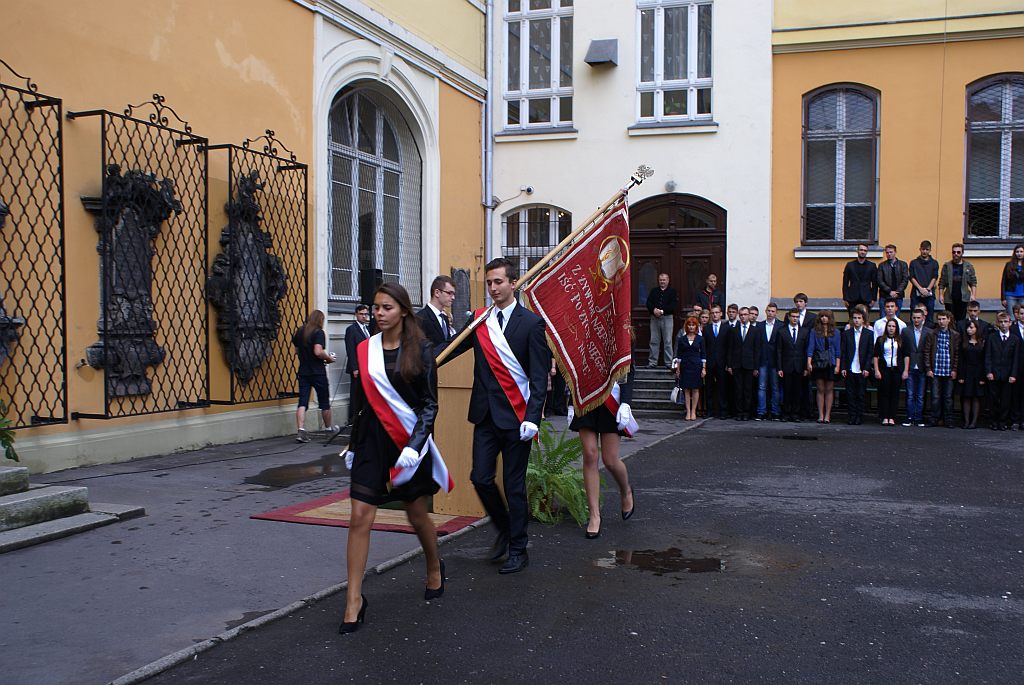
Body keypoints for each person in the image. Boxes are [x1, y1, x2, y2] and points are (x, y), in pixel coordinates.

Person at [340, 283, 447, 633]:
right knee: (359, 516)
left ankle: (434, 565)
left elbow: (429, 405)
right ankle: (354, 600)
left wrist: (417, 446)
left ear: (402, 310)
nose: (379, 314)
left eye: (386, 307)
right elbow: (359, 403)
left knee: (416, 515)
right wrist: (353, 445)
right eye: (375, 308)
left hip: (406, 443)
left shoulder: (422, 350)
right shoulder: (364, 350)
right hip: (372, 441)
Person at [444, 257, 549, 574]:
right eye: (489, 283)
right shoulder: (479, 321)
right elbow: (451, 348)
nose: (492, 288)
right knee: (480, 478)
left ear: (512, 283)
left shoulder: (531, 323)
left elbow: (539, 376)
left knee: (514, 486)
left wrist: (533, 417)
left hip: (518, 420)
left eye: (498, 282)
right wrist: (419, 359)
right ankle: (504, 527)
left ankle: (518, 549)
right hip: (485, 415)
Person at [568, 350, 636, 540]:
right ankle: (594, 515)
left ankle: (626, 490)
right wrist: (571, 403)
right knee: (590, 455)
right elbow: (573, 365)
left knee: (610, 460)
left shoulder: (622, 329)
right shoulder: (582, 327)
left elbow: (629, 370)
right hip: (586, 398)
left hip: (610, 400)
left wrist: (626, 403)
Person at [294, 309, 338, 442]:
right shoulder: (318, 332)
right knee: (324, 401)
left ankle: (301, 431)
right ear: (320, 320)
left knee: (302, 402)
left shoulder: (300, 331)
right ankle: (328, 429)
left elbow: (297, 350)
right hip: (318, 372)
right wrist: (329, 358)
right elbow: (318, 351)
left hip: (303, 372)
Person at [922, 311, 960, 428]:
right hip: (936, 369)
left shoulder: (954, 335)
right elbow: (927, 352)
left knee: (948, 397)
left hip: (948, 370)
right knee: (935, 397)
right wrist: (928, 368)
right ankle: (934, 419)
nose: (941, 322)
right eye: (939, 319)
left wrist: (955, 369)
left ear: (949, 320)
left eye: (943, 319)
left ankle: (948, 419)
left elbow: (957, 354)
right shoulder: (932, 334)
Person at [984, 312, 1021, 431]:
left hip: (1007, 374)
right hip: (994, 373)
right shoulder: (992, 337)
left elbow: (1016, 359)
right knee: (993, 398)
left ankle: (1003, 421)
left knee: (1006, 399)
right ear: (997, 323)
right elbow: (988, 355)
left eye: (1006, 322)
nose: (1003, 324)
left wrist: (1013, 374)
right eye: (1001, 322)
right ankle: (994, 421)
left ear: (1010, 323)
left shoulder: (1015, 339)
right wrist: (988, 371)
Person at [840, 308, 874, 425]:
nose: (856, 320)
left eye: (859, 318)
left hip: (862, 368)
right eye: (854, 318)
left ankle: (859, 416)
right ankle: (852, 415)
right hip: (850, 367)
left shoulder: (869, 334)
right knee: (850, 393)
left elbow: (870, 352)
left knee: (860, 393)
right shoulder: (847, 333)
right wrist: (843, 367)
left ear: (863, 320)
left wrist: (866, 368)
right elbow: (843, 352)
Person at [727, 307, 761, 421]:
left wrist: (756, 367)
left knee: (748, 390)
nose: (743, 317)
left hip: (749, 365)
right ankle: (739, 412)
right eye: (741, 315)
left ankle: (747, 412)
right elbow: (730, 348)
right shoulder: (734, 329)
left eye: (745, 314)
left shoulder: (755, 330)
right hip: (736, 364)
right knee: (738, 389)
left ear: (749, 316)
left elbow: (757, 350)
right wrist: (730, 365)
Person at [806, 310, 841, 423]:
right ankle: (820, 415)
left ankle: (828, 415)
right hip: (818, 361)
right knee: (820, 389)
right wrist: (809, 362)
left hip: (831, 362)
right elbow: (811, 348)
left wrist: (837, 365)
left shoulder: (836, 332)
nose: (824, 318)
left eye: (826, 316)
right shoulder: (814, 331)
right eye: (822, 316)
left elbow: (838, 350)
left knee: (829, 389)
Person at [873, 318, 907, 426]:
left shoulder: (901, 340)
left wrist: (905, 370)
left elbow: (906, 356)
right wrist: (877, 370)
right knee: (884, 393)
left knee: (894, 394)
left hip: (896, 369)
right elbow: (876, 356)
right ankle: (884, 416)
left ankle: (892, 417)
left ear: (896, 328)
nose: (891, 328)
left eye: (893, 326)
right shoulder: (880, 340)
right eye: (889, 326)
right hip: (884, 369)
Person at [900, 307, 931, 427]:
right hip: (910, 365)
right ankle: (909, 417)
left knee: (920, 395)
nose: (916, 320)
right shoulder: (906, 331)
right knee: (910, 393)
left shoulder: (929, 331)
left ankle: (918, 418)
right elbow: (903, 350)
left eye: (918, 318)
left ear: (923, 318)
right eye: (914, 318)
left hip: (923, 365)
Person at [777, 309, 809, 422]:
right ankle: (786, 413)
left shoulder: (804, 332)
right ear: (789, 317)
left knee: (797, 391)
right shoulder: (782, 331)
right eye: (793, 316)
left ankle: (795, 413)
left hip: (799, 366)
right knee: (787, 390)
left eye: (797, 316)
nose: (795, 319)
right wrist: (779, 367)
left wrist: (806, 367)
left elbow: (806, 351)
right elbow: (779, 350)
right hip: (786, 366)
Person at [344, 305, 372, 427]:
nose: (364, 316)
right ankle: (353, 418)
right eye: (362, 314)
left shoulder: (367, 329)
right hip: (357, 366)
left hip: (366, 365)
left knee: (364, 391)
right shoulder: (352, 329)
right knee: (355, 392)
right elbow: (350, 349)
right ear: (356, 314)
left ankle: (362, 415)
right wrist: (355, 367)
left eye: (366, 314)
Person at [674, 316, 706, 421]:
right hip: (685, 366)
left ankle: (694, 411)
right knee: (686, 389)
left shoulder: (700, 339)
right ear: (687, 326)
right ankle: (688, 411)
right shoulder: (682, 339)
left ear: (696, 326)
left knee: (696, 388)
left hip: (696, 366)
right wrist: (678, 369)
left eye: (693, 325)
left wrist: (703, 368)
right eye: (689, 325)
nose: (691, 327)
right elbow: (679, 355)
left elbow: (703, 355)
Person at [957, 319, 986, 429]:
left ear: (977, 329)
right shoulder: (963, 342)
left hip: (978, 372)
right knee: (966, 396)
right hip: (966, 371)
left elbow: (984, 360)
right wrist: (961, 375)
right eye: (968, 327)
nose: (969, 330)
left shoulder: (982, 342)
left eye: (972, 327)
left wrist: (983, 376)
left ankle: (974, 421)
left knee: (976, 397)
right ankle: (966, 421)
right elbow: (961, 360)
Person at [937, 243, 976, 323]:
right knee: (950, 320)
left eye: (958, 252)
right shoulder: (947, 266)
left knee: (961, 321)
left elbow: (973, 282)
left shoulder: (968, 266)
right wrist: (941, 295)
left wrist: (973, 295)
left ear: (962, 253)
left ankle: (960, 335)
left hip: (963, 297)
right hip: (949, 297)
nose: (956, 254)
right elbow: (942, 282)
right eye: (954, 252)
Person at [756, 303, 782, 420]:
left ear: (776, 312)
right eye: (769, 311)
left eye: (773, 311)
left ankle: (775, 411)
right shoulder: (759, 326)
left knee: (775, 387)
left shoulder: (781, 326)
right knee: (762, 387)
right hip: (762, 360)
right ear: (765, 311)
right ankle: (761, 411)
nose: (771, 313)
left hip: (775, 361)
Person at [646, 273, 677, 368]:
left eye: (664, 280)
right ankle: (652, 362)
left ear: (668, 281)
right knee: (654, 340)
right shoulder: (654, 291)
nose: (662, 282)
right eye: (660, 280)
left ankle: (668, 363)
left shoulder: (672, 291)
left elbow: (673, 305)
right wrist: (654, 310)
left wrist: (662, 311)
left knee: (667, 341)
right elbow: (648, 303)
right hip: (654, 318)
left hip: (667, 318)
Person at [416, 275, 457, 347]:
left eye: (453, 294)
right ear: (437, 293)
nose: (453, 297)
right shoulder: (420, 318)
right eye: (449, 293)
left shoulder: (445, 318)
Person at [704, 303, 729, 419]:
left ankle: (722, 411)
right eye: (712, 313)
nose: (714, 315)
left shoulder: (726, 328)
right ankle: (710, 410)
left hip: (722, 363)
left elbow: (729, 347)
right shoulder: (707, 329)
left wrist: (728, 363)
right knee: (709, 388)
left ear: (721, 314)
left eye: (716, 313)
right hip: (710, 362)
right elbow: (704, 347)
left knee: (723, 388)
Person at [842, 243, 878, 316]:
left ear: (867, 252)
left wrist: (874, 299)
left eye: (865, 250)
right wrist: (845, 298)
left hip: (867, 298)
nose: (863, 252)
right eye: (861, 250)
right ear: (857, 251)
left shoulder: (872, 265)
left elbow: (875, 284)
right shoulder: (849, 265)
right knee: (852, 319)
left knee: (865, 319)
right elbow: (845, 283)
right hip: (852, 298)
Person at [909, 240, 939, 323]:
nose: (925, 251)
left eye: (927, 249)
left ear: (930, 250)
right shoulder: (913, 263)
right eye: (923, 249)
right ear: (920, 249)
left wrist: (928, 289)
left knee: (929, 316)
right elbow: (911, 277)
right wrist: (920, 289)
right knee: (914, 315)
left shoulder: (934, 263)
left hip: (929, 294)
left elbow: (934, 277)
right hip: (916, 294)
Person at [876, 244, 910, 315]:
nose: (889, 254)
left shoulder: (903, 265)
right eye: (887, 252)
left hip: (898, 296)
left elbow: (905, 279)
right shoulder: (882, 265)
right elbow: (879, 280)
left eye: (891, 252)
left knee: (896, 319)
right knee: (883, 318)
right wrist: (889, 291)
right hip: (884, 296)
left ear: (895, 252)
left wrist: (897, 292)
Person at [1000, 243, 1024, 317]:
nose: (1019, 254)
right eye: (1017, 252)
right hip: (1010, 295)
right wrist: (1003, 298)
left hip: (1023, 295)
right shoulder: (1009, 265)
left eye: (1021, 251)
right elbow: (1004, 281)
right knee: (1011, 317)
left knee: (1022, 317)